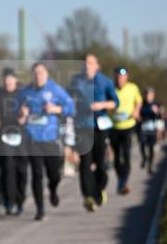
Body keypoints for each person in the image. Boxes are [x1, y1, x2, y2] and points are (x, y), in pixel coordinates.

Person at [17, 62, 74, 220]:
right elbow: (15, 111)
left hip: (50, 139)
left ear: (46, 74)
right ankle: (40, 209)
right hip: (32, 139)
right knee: (36, 174)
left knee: (54, 174)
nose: (38, 76)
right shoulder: (25, 92)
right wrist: (21, 113)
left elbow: (71, 107)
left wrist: (56, 109)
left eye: (41, 73)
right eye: (35, 73)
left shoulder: (55, 90)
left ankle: (53, 189)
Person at [70, 54, 119, 212]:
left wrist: (102, 104)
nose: (87, 66)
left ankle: (99, 189)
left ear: (97, 65)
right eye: (85, 63)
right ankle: (88, 197)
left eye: (90, 63)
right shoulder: (76, 81)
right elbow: (67, 100)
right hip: (83, 127)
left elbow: (115, 102)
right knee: (85, 163)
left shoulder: (106, 82)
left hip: (100, 126)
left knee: (100, 163)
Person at [0, 68, 28, 216]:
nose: (8, 82)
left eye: (10, 79)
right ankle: (9, 201)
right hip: (4, 134)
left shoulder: (22, 94)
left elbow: (30, 108)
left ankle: (20, 199)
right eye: (5, 79)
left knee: (22, 170)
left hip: (20, 135)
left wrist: (26, 114)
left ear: (15, 80)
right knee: (7, 168)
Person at [109, 66, 142, 195]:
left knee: (127, 154)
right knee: (117, 157)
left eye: (122, 77)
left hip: (128, 125)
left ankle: (124, 182)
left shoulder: (133, 88)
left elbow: (138, 101)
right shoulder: (110, 88)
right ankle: (120, 179)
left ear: (126, 77)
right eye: (118, 77)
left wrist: (136, 110)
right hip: (114, 126)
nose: (120, 79)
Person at [138, 88, 161, 174]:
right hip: (143, 129)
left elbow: (160, 117)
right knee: (142, 146)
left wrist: (157, 112)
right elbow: (139, 113)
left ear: (153, 95)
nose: (148, 96)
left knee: (151, 149)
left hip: (152, 130)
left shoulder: (156, 104)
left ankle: (150, 166)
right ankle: (144, 158)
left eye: (150, 94)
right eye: (147, 94)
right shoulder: (142, 104)